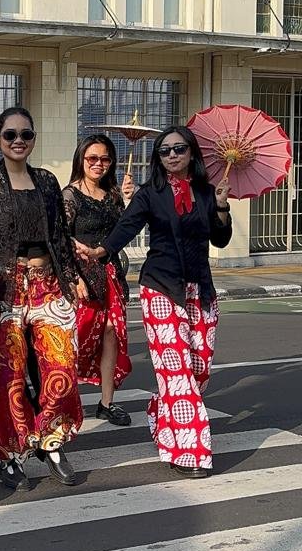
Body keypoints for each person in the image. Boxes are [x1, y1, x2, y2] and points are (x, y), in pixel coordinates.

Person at [81, 125, 232, 478]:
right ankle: (188, 451)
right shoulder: (151, 194)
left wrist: (222, 207)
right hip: (161, 288)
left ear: (191, 153)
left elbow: (221, 239)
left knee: (198, 370)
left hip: (200, 291)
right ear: (158, 158)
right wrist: (100, 251)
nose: (172, 156)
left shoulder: (208, 193)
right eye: (165, 151)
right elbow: (126, 227)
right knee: (176, 374)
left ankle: (161, 409)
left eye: (179, 149)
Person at [0, 106, 84, 490]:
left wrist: (72, 279)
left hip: (48, 282)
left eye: (26, 135)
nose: (19, 141)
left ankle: (51, 441)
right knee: (7, 375)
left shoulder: (48, 182)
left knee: (61, 366)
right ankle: (11, 454)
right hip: (4, 287)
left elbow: (61, 238)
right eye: (11, 135)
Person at [63, 135, 135, 426]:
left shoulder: (114, 194)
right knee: (74, 340)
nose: (98, 164)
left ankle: (106, 403)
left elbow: (123, 230)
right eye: (92, 158)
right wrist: (72, 276)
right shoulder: (70, 195)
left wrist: (130, 200)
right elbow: (59, 236)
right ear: (81, 159)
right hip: (81, 278)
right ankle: (62, 401)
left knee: (110, 335)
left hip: (110, 276)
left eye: (105, 159)